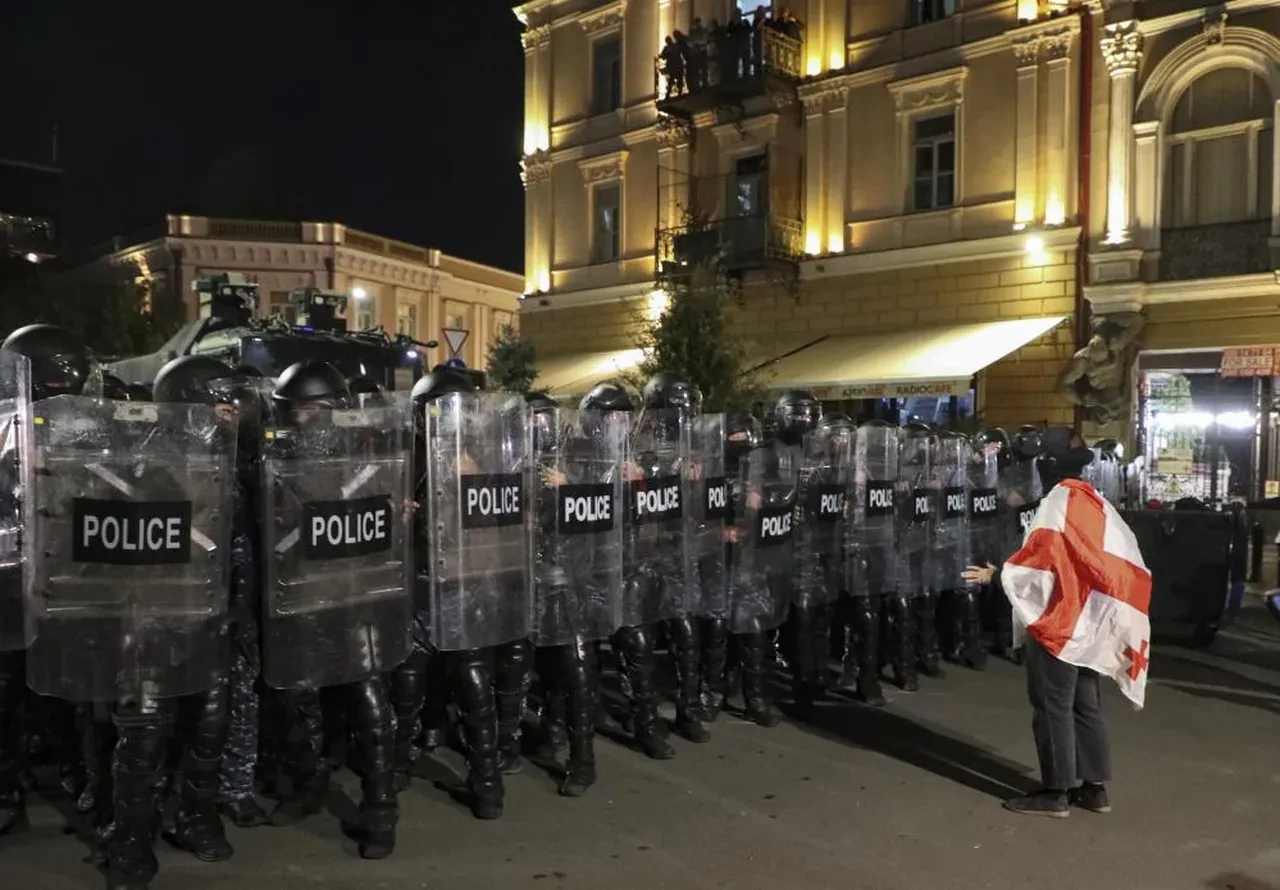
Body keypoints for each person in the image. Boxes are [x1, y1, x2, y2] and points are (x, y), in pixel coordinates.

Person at [963, 427, 1152, 818]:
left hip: (1060, 622)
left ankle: (1055, 793)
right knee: (1086, 705)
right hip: (1091, 622)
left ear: (1045, 464)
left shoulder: (1056, 503)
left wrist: (996, 575)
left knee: (1053, 706)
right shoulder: (1093, 500)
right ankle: (1094, 789)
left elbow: (1042, 566)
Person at [259, 360, 404, 857]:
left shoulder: (371, 458)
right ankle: (307, 784)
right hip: (299, 594)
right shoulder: (270, 459)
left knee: (369, 703)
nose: (309, 420)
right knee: (296, 699)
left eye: (319, 409)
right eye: (301, 411)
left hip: (356, 593)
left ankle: (381, 809)